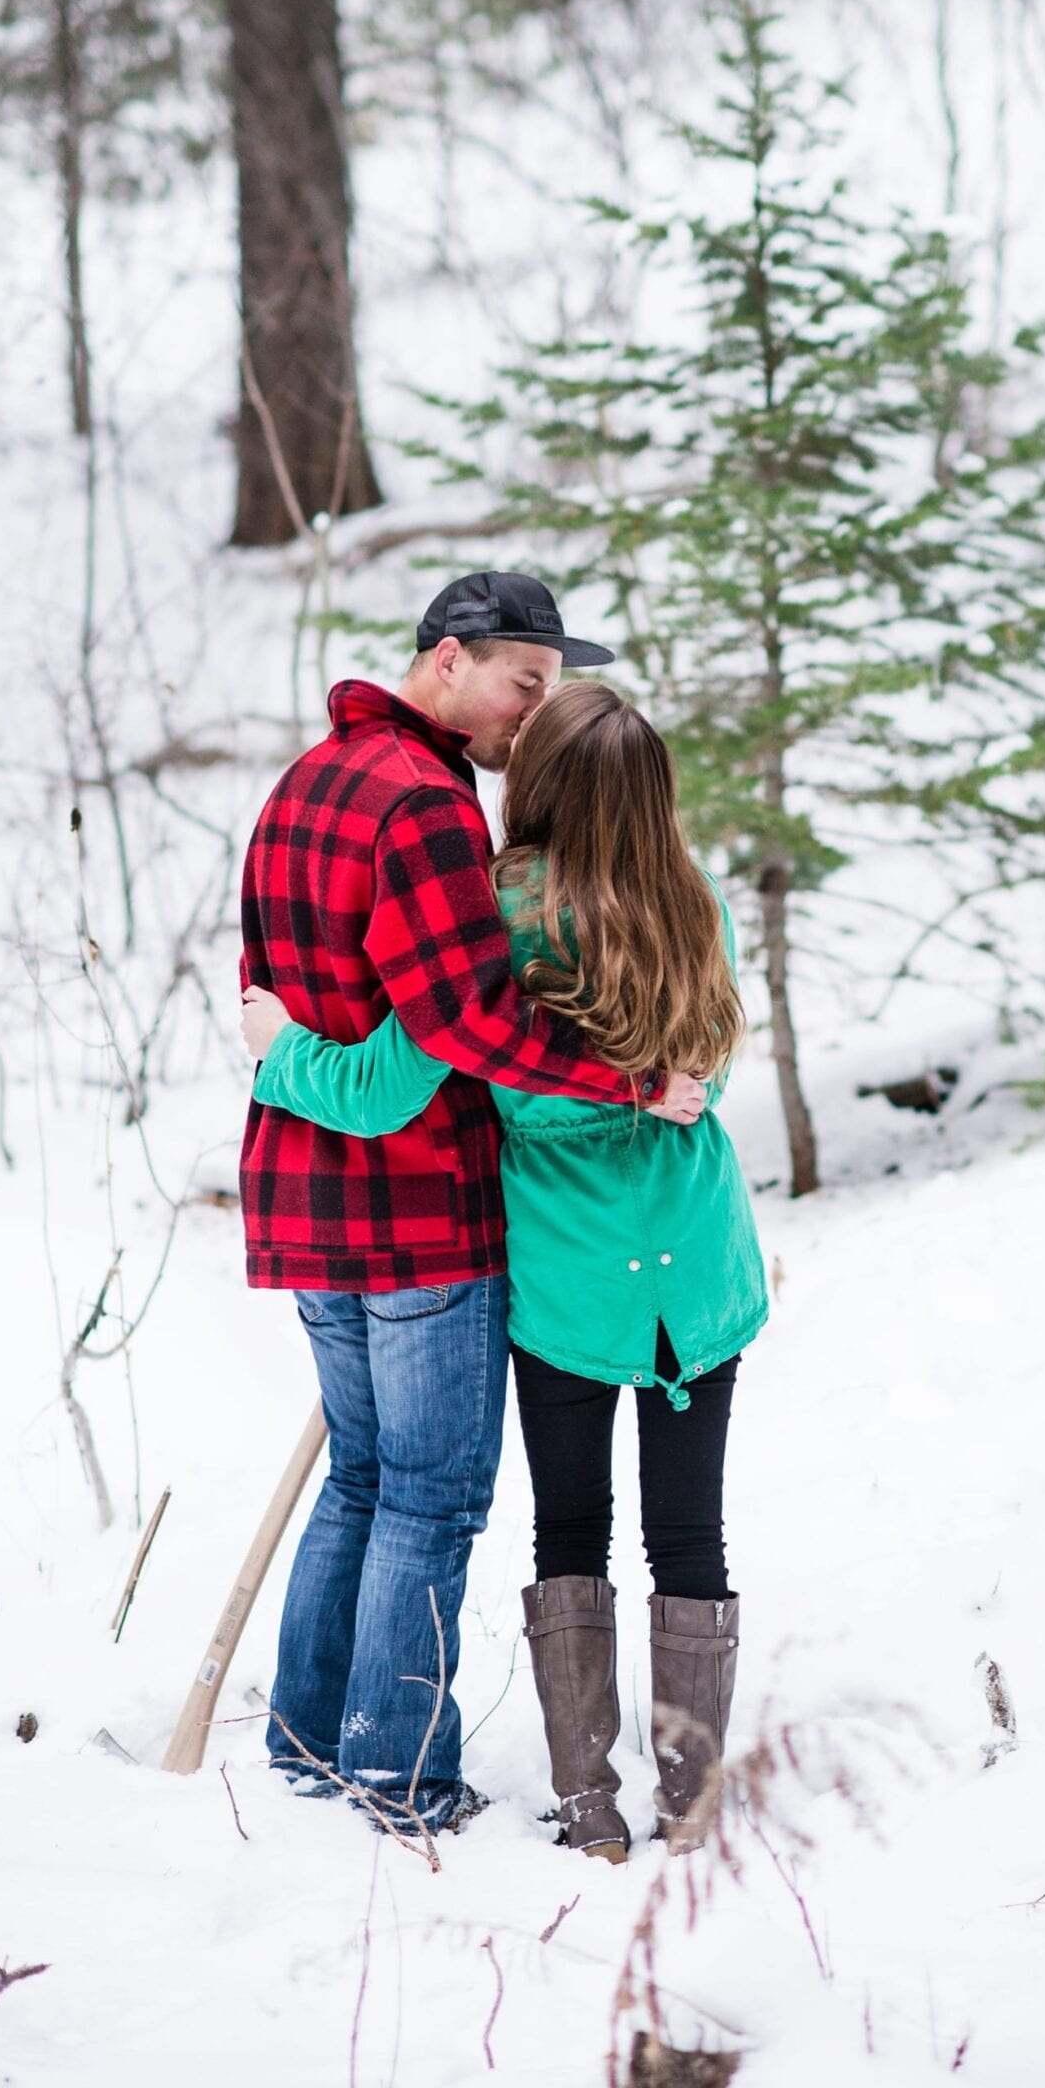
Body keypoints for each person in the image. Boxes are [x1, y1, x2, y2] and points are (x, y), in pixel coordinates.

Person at [242, 678, 768, 1860]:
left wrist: (279, 1056)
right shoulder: (697, 906)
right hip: (698, 1274)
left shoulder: (498, 923)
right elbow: (710, 1079)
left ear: (534, 787)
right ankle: (691, 1803)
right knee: (692, 1538)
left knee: (569, 1530)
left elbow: (389, 1079)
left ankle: (589, 1806)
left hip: (564, 1278)